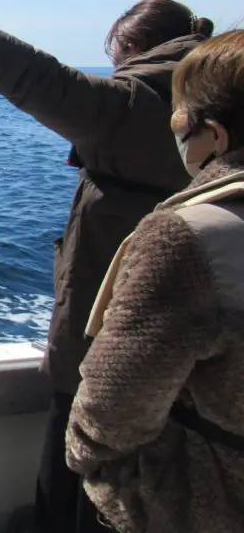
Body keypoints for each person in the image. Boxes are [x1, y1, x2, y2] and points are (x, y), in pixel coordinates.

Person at [0, 0, 213, 533]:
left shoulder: (138, 103)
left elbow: (42, 79)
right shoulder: (217, 105)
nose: (114, 67)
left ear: (134, 47)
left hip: (109, 331)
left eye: (116, 54)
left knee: (76, 464)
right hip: (193, 341)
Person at [66, 30, 244, 532]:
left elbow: (113, 405)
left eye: (179, 118)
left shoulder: (188, 239)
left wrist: (90, 461)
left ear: (215, 135)